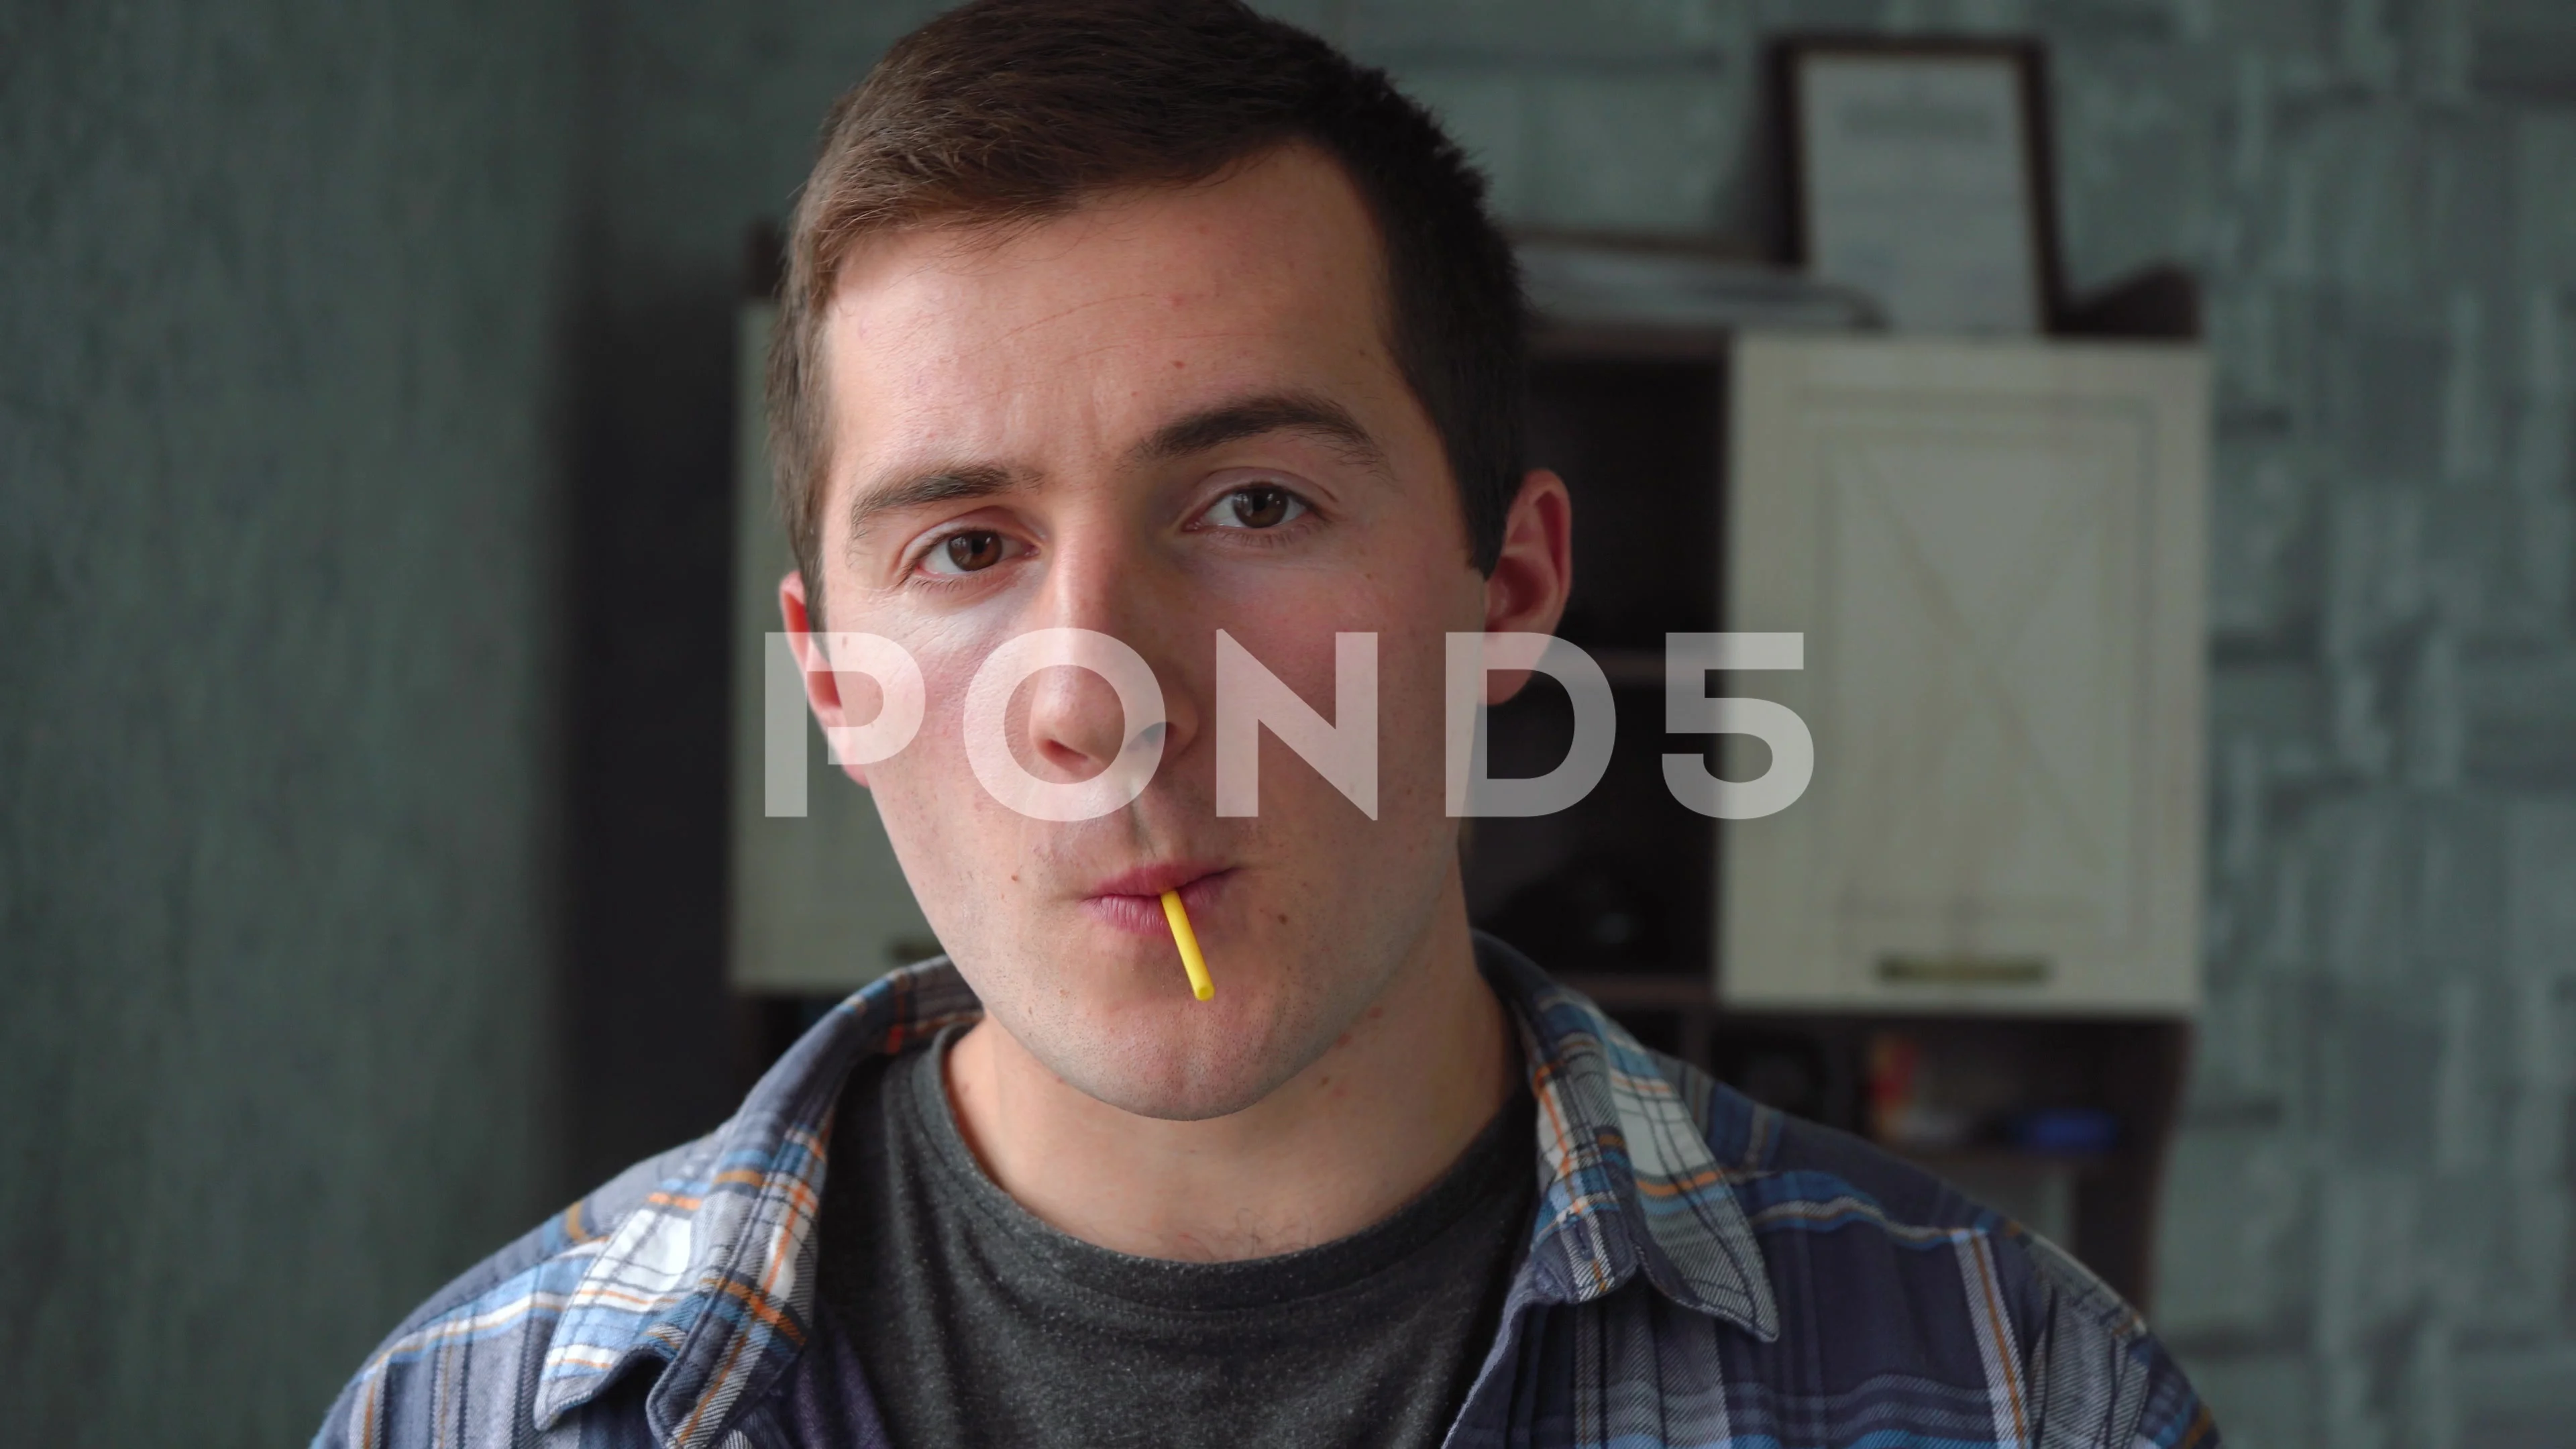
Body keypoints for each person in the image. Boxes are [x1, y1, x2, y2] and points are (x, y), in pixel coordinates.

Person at [315, 2, 2218, 1446]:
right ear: (835, 688)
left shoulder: (2021, 1395)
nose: (1102, 699)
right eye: (967, 545)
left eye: (1251, 509)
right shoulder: (463, 1415)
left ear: (1511, 596)